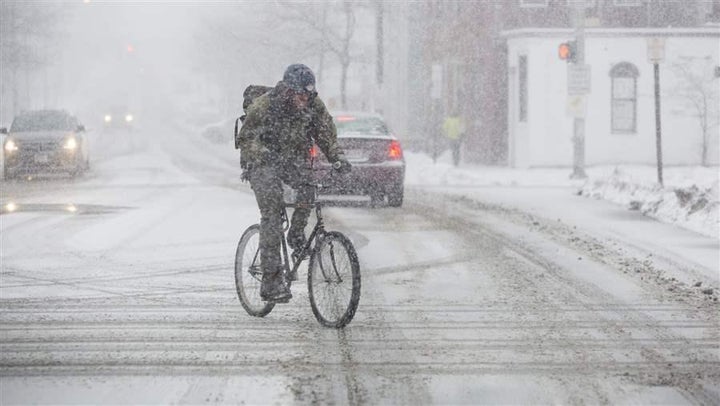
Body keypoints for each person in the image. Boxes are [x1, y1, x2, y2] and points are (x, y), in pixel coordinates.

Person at [238, 64, 351, 303]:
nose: (303, 100)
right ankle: (271, 280)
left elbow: (326, 133)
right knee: (272, 211)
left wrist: (338, 158)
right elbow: (246, 139)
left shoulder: (313, 104)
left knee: (308, 190)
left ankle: (297, 236)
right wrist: (262, 154)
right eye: (300, 95)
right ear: (289, 90)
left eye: (307, 95)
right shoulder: (265, 106)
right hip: (262, 161)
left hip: (291, 160)